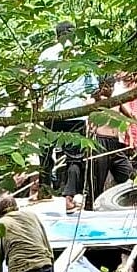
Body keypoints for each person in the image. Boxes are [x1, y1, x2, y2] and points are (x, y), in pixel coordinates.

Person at [35, 21, 98, 213]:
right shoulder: (82, 56)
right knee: (74, 158)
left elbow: (37, 85)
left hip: (52, 111)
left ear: (57, 35)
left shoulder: (46, 54)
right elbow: (92, 88)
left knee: (45, 153)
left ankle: (44, 190)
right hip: (75, 113)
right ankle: (69, 198)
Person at [87, 76, 132, 202]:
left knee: (126, 171)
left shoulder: (116, 100)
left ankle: (120, 198)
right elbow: (87, 115)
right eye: (108, 86)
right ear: (102, 86)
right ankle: (92, 203)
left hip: (115, 142)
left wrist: (135, 130)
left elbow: (129, 116)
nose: (111, 89)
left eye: (112, 86)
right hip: (100, 141)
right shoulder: (95, 101)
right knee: (98, 177)